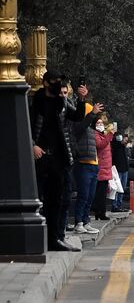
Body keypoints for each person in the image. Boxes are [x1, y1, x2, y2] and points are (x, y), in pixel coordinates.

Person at [29, 71, 81, 251]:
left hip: (59, 159)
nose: (58, 85)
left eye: (60, 82)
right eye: (54, 82)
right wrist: (33, 145)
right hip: (41, 157)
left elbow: (77, 117)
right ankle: (39, 238)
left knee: (57, 200)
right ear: (45, 83)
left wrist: (81, 98)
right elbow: (26, 125)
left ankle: (55, 238)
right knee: (40, 199)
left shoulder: (62, 102)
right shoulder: (36, 101)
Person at [66, 80, 103, 235]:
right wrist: (91, 113)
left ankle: (86, 220)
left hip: (93, 161)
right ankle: (79, 222)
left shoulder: (91, 126)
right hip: (83, 161)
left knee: (90, 195)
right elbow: (79, 127)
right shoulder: (76, 117)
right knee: (83, 194)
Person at [94, 115, 115, 222]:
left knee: (103, 193)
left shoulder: (103, 135)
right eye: (98, 123)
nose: (100, 125)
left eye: (102, 123)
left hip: (105, 168)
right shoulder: (96, 135)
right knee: (100, 193)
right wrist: (110, 134)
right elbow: (100, 145)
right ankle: (100, 212)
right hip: (101, 168)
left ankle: (101, 212)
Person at [110, 123, 130, 213]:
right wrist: (121, 142)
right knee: (117, 187)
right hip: (117, 168)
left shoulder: (123, 146)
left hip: (124, 168)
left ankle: (119, 205)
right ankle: (114, 205)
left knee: (122, 188)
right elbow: (115, 144)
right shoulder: (115, 139)